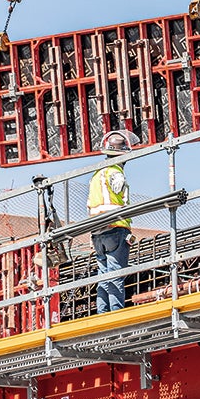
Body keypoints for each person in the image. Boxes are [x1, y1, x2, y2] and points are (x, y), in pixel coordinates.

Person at [88, 129, 139, 313]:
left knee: (103, 276)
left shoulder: (96, 174)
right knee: (116, 274)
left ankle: (102, 312)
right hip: (116, 228)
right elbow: (117, 189)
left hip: (96, 232)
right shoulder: (115, 171)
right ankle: (115, 313)